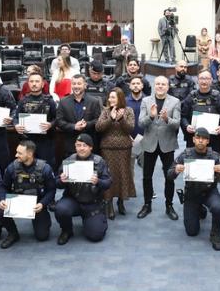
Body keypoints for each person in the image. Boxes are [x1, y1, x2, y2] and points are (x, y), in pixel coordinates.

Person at [168, 127, 220, 251]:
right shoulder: (185, 155)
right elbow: (169, 174)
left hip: (209, 192)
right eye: (198, 138)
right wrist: (176, 170)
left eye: (204, 139)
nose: (200, 141)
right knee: (192, 232)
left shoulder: (214, 156)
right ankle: (199, 209)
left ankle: (215, 233)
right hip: (192, 194)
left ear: (208, 141)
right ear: (193, 139)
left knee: (218, 207)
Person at [54, 134, 113, 245]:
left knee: (96, 235)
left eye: (84, 145)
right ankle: (67, 230)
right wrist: (61, 180)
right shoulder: (68, 161)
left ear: (91, 147)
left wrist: (98, 182)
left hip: (93, 203)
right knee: (61, 209)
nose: (81, 148)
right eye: (78, 145)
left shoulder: (100, 162)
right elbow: (56, 184)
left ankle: (94, 220)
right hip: (73, 200)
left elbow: (108, 183)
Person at [0, 140, 57, 249]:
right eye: (16, 152)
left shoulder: (45, 169)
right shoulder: (12, 167)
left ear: (30, 154)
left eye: (19, 153)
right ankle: (13, 234)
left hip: (37, 205)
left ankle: (44, 221)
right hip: (17, 201)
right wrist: (2, 199)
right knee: (0, 209)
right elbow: (3, 187)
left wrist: (43, 204)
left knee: (42, 236)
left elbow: (51, 191)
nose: (16, 155)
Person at [138, 76, 181, 220]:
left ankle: (169, 205)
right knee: (146, 176)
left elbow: (177, 124)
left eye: (163, 84)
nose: (160, 86)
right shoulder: (146, 101)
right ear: (154, 86)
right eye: (158, 84)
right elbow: (140, 124)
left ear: (168, 86)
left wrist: (166, 119)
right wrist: (151, 116)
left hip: (167, 144)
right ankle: (147, 204)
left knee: (169, 176)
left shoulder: (175, 102)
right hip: (149, 143)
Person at [96, 87, 136, 219]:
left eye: (113, 97)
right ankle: (109, 204)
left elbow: (130, 128)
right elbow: (98, 128)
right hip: (108, 149)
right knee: (109, 176)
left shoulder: (128, 111)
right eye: (109, 97)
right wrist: (111, 119)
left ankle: (121, 201)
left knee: (123, 175)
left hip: (124, 149)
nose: (110, 99)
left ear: (120, 98)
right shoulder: (106, 111)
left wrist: (121, 119)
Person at [54, 74, 103, 167]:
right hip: (70, 145)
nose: (76, 86)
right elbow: (59, 121)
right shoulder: (63, 101)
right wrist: (74, 127)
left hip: (89, 146)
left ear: (85, 85)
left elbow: (98, 120)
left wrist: (87, 124)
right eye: (74, 84)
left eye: (79, 83)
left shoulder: (94, 101)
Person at [13, 72, 57, 169]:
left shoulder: (49, 101)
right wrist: (16, 125)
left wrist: (50, 124)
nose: (34, 84)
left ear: (42, 84)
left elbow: (57, 118)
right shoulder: (23, 100)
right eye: (31, 81)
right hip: (27, 140)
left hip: (45, 141)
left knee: (45, 167)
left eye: (37, 81)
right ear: (28, 83)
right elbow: (15, 117)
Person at [181, 69, 220, 151]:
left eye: (207, 78)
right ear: (197, 80)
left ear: (211, 80)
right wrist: (187, 126)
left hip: (213, 138)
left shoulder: (218, 97)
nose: (204, 81)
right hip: (194, 138)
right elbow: (183, 117)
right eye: (202, 78)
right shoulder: (191, 97)